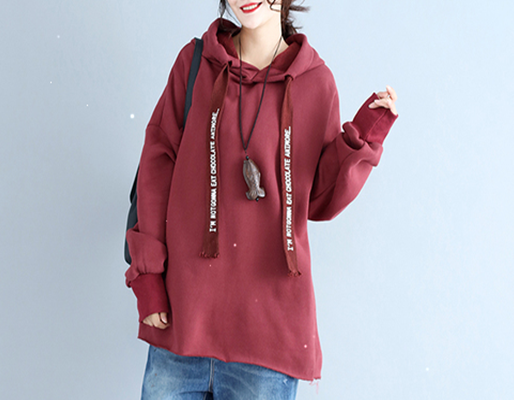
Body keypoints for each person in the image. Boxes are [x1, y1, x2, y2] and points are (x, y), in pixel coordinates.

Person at [125, 1, 398, 398]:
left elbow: (318, 201)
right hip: (182, 324)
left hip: (268, 341)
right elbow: (156, 168)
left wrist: (363, 136)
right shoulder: (195, 63)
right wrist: (148, 280)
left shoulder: (315, 83)